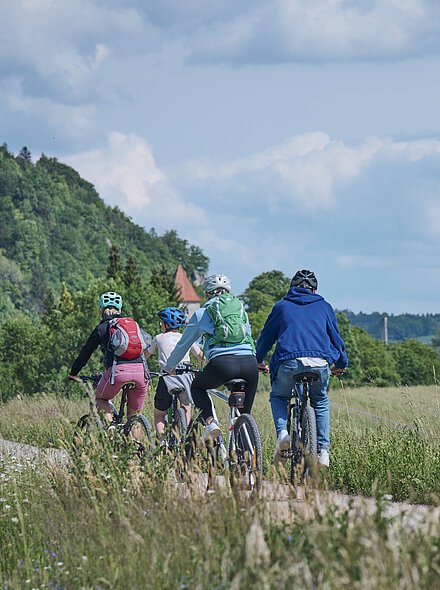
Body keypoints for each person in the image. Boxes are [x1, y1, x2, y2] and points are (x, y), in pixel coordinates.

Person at [256, 270, 347, 467]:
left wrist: (258, 360)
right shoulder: (324, 307)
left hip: (289, 361)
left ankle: (282, 434)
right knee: (320, 401)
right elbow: (336, 339)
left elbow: (266, 338)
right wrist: (341, 364)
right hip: (320, 363)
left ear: (292, 288)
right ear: (314, 289)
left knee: (279, 396)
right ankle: (323, 451)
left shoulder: (281, 307)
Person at [163, 274, 258, 441]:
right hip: (250, 364)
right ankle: (247, 457)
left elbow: (183, 345)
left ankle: (210, 423)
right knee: (244, 415)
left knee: (197, 388)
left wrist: (167, 367)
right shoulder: (241, 309)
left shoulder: (202, 313)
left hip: (222, 364)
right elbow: (248, 336)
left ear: (207, 293)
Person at [68, 291, 148, 422]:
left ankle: (111, 435)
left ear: (101, 309)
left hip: (118, 372)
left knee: (99, 399)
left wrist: (74, 373)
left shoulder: (101, 328)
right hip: (141, 372)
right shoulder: (131, 324)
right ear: (120, 309)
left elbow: (85, 353)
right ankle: (134, 441)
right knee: (134, 417)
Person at [144, 307, 203, 440]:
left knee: (159, 414)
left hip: (167, 378)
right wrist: (198, 370)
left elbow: (145, 356)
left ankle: (164, 443)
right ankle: (186, 438)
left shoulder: (158, 338)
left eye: (161, 322)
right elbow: (201, 356)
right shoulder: (186, 338)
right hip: (186, 377)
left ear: (166, 324)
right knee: (187, 406)